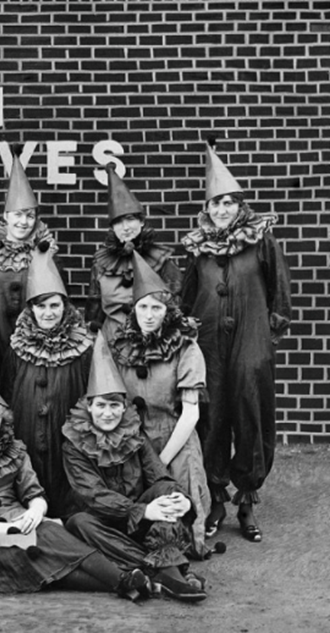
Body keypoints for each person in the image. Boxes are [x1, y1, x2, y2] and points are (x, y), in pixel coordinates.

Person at [0, 368, 151, 600]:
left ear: (2, 421)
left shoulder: (15, 451)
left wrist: (35, 510)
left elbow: (34, 493)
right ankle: (123, 581)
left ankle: (125, 582)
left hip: (17, 520)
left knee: (50, 533)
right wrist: (10, 530)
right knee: (30, 552)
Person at [181, 143, 292, 543]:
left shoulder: (260, 238)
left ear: (239, 205)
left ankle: (246, 499)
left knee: (250, 414)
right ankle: (215, 498)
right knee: (212, 419)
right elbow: (187, 294)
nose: (223, 210)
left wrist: (267, 334)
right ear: (207, 209)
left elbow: (279, 288)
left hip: (250, 340)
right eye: (216, 204)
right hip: (211, 342)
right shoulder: (198, 247)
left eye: (229, 203)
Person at [62, 332, 208, 602]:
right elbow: (92, 495)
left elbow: (158, 476)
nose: (109, 413)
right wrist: (142, 510)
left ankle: (161, 572)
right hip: (101, 522)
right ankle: (170, 571)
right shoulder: (74, 443)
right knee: (77, 522)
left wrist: (181, 499)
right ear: (89, 407)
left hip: (140, 519)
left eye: (115, 405)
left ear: (123, 406)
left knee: (166, 490)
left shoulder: (135, 433)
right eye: (102, 406)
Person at [111, 252, 211, 557]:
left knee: (180, 515)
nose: (149, 314)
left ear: (168, 312)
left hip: (174, 437)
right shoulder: (122, 347)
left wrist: (162, 459)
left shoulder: (186, 348)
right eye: (143, 307)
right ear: (134, 310)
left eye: (157, 307)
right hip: (134, 440)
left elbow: (191, 413)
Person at [1, 249, 94, 518]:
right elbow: (8, 389)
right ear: (31, 309)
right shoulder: (17, 346)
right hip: (26, 429)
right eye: (41, 306)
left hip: (65, 434)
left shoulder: (83, 347)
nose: (48, 312)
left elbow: (90, 393)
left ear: (66, 307)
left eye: (54, 305)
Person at [0, 152, 59, 366]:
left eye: (30, 216)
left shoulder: (46, 254)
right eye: (17, 214)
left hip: (33, 345)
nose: (24, 222)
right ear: (6, 216)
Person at [86, 164, 182, 343]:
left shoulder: (161, 261)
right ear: (112, 228)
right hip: (112, 339)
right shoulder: (101, 264)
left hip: (152, 340)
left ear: (141, 222)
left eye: (130, 219)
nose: (126, 227)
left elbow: (175, 305)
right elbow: (94, 308)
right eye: (118, 222)